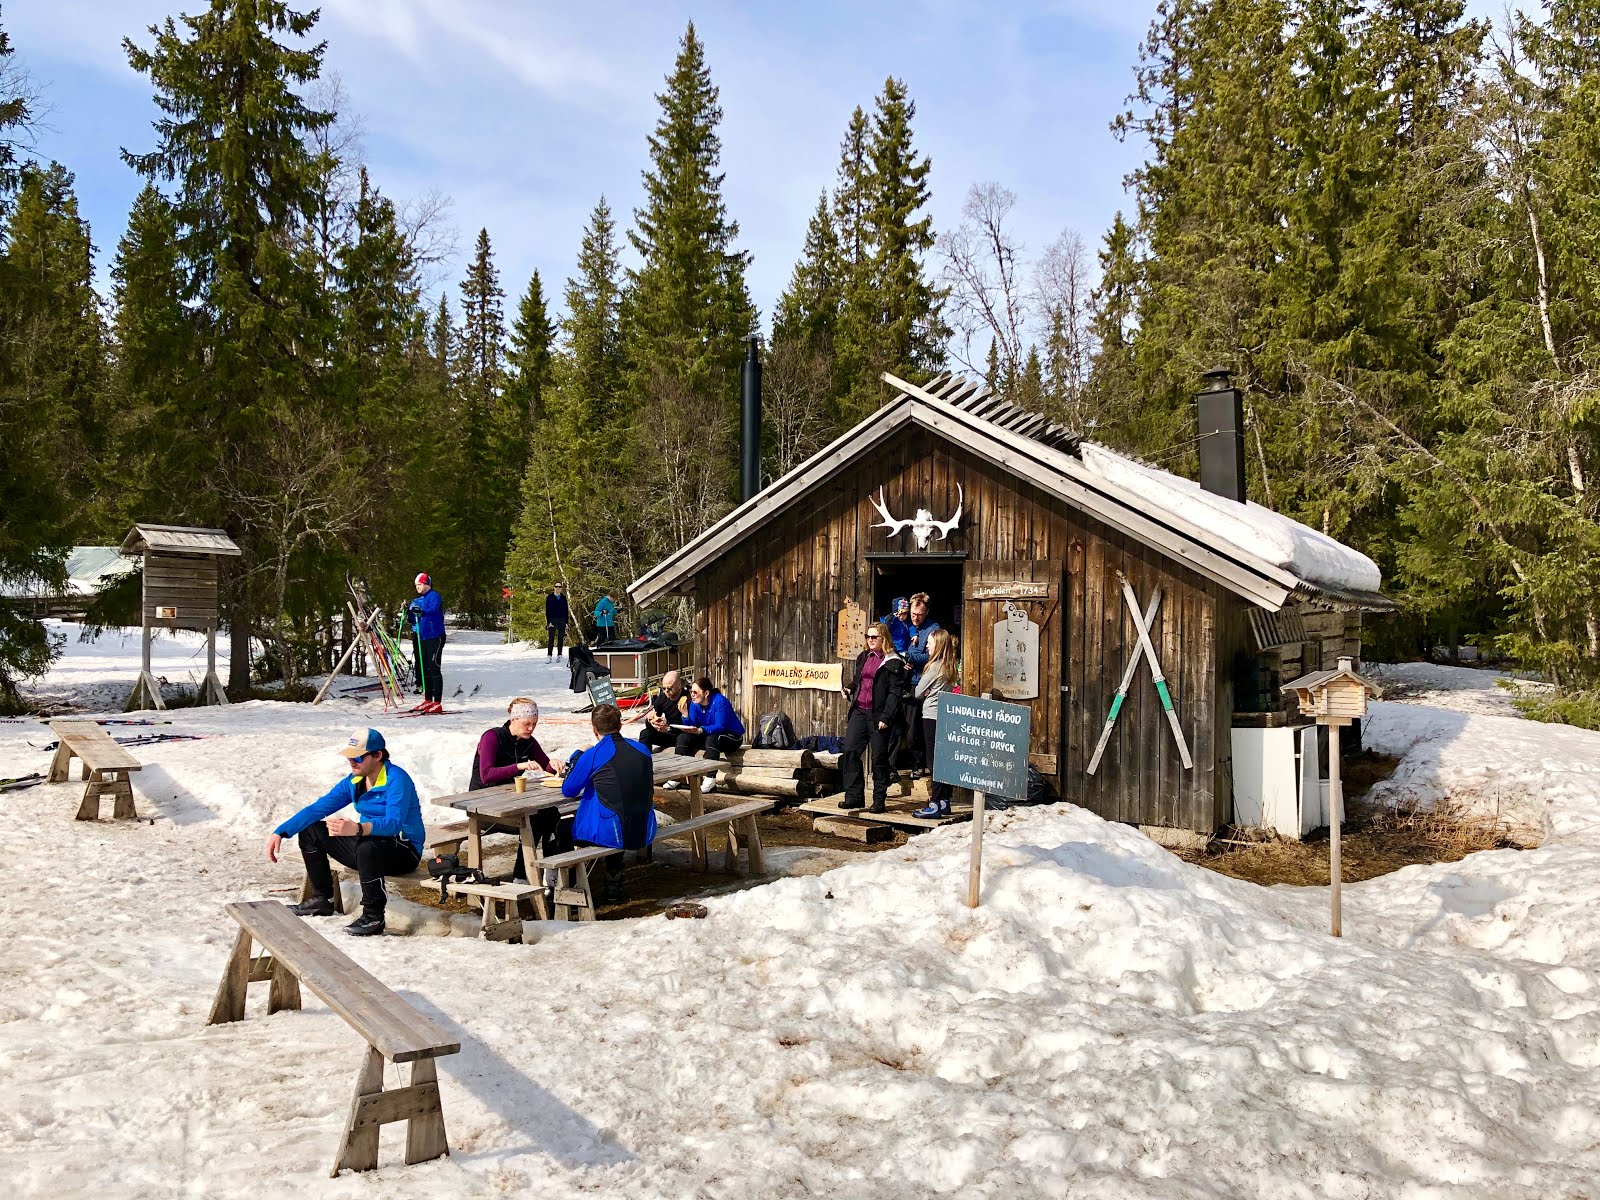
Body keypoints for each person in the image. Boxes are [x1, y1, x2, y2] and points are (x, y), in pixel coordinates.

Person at [269, 728, 425, 937]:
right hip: (368, 846)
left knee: (368, 848)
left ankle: (374, 916)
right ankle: (324, 899)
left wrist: (359, 829)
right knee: (312, 831)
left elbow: (394, 823)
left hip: (404, 851)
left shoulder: (397, 779)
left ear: (377, 755)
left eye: (358, 757)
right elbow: (318, 808)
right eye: (349, 757)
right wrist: (280, 832)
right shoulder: (354, 780)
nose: (352, 762)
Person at [565, 702, 655, 904]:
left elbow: (569, 790)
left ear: (594, 729)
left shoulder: (594, 754)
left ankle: (568, 890)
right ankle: (613, 885)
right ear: (620, 725)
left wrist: (577, 756)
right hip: (644, 827)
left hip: (612, 831)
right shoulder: (643, 750)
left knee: (562, 829)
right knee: (616, 806)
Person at [470, 698, 563, 882]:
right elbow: (486, 775)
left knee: (552, 815)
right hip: (484, 807)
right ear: (513, 719)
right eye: (526, 723)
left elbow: (547, 766)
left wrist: (556, 764)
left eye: (534, 724)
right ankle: (521, 876)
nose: (530, 728)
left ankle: (551, 872)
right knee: (535, 820)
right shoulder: (492, 737)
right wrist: (519, 766)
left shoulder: (528, 742)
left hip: (512, 802)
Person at [839, 623, 907, 814]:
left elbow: (895, 693)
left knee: (879, 758)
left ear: (883, 638)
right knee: (850, 751)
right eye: (868, 636)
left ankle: (879, 800)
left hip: (879, 715)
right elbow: (858, 681)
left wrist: (886, 716)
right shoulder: (863, 657)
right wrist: (850, 689)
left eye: (874, 637)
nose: (870, 640)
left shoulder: (893, 662)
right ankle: (854, 797)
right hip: (860, 711)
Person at [912, 629, 959, 818]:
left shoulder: (934, 667)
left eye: (930, 643)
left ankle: (934, 804)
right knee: (943, 759)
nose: (927, 646)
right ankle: (944, 801)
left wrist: (925, 691)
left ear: (938, 645)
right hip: (945, 714)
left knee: (934, 761)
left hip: (932, 714)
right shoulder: (950, 665)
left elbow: (917, 692)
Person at [675, 676, 745, 788]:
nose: (692, 695)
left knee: (713, 737)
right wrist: (685, 715)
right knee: (683, 737)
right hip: (709, 735)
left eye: (695, 692)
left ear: (706, 693)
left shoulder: (719, 701)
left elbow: (720, 726)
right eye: (690, 691)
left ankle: (710, 779)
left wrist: (701, 729)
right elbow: (693, 724)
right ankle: (677, 776)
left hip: (732, 737)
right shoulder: (694, 703)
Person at [903, 592, 941, 778]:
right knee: (903, 726)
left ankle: (920, 765)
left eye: (919, 615)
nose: (915, 617)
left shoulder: (933, 629)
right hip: (904, 681)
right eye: (913, 613)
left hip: (922, 683)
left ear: (926, 613)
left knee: (916, 729)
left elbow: (931, 656)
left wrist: (910, 657)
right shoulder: (906, 625)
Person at [408, 573, 446, 714]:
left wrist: (421, 611)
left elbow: (433, 610)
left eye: (419, 584)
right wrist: (410, 614)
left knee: (434, 667)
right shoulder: (419, 599)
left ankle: (437, 702)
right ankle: (428, 699)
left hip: (435, 636)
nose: (417, 587)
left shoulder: (434, 596)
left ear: (426, 584)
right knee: (425, 669)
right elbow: (413, 615)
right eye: (416, 585)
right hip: (422, 637)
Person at [640, 670, 686, 753]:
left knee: (682, 738)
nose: (666, 691)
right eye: (663, 688)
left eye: (669, 688)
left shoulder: (688, 698)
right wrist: (651, 721)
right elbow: (654, 718)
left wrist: (668, 729)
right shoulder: (662, 698)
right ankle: (643, 760)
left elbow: (693, 723)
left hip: (684, 733)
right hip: (668, 733)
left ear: (679, 685)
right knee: (645, 733)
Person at [544, 583, 570, 658]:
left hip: (562, 619)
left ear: (561, 588)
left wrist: (566, 622)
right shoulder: (550, 597)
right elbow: (547, 610)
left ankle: (559, 654)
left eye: (559, 587)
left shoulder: (563, 598)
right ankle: (549, 655)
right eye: (556, 587)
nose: (558, 588)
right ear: (554, 588)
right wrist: (549, 622)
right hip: (552, 619)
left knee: (560, 637)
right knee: (551, 638)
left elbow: (566, 610)